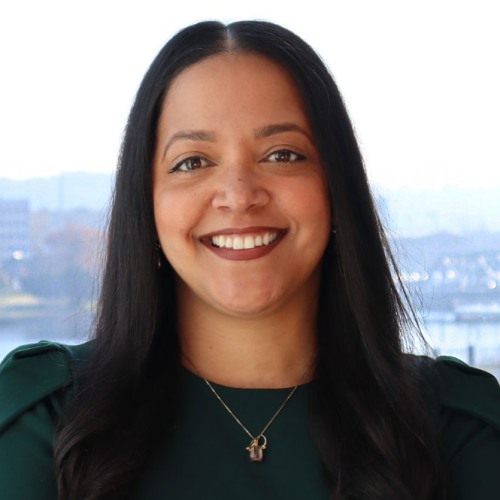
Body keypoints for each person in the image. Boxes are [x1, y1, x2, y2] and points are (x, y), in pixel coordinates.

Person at [1, 20, 500, 500]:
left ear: (335, 189)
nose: (238, 196)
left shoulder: (458, 429)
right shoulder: (45, 420)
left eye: (282, 154)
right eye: (192, 162)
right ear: (147, 205)